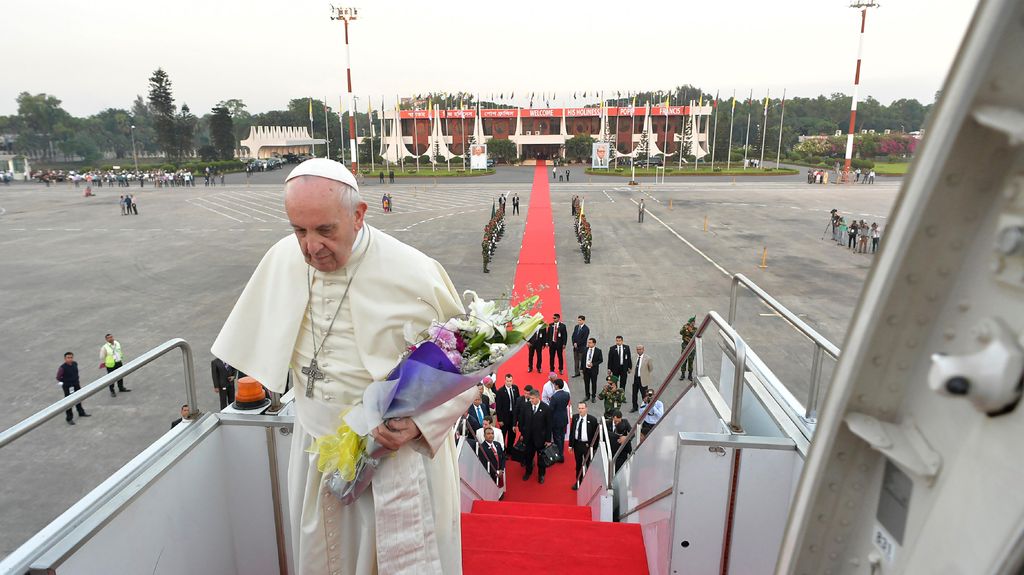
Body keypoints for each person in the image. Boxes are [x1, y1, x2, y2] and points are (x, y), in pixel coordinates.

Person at [211, 158, 474, 573]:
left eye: (325, 230)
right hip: (315, 455)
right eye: (299, 231)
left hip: (396, 460)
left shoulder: (414, 271)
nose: (311, 247)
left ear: (358, 215)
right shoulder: (282, 260)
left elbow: (467, 370)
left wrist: (419, 424)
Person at [514, 389, 552, 484]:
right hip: (528, 439)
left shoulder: (546, 408)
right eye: (530, 398)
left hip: (541, 439)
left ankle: (541, 475)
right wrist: (522, 433)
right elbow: (521, 420)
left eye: (532, 398)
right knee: (528, 457)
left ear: (538, 397)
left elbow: (549, 425)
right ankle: (528, 472)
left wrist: (548, 440)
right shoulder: (526, 406)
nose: (530, 400)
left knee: (541, 459)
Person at [570, 401, 599, 489]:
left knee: (589, 465)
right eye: (579, 408)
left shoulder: (592, 420)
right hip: (577, 445)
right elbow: (572, 432)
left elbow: (596, 435)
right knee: (578, 464)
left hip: (587, 446)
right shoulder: (575, 417)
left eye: (582, 408)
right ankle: (578, 481)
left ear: (586, 409)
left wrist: (593, 447)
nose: (580, 410)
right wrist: (570, 445)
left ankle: (590, 483)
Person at [56, 352, 90, 425]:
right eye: (68, 358)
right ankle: (69, 418)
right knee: (69, 402)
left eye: (71, 357)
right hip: (68, 387)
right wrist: (65, 381)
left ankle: (81, 412)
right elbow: (58, 377)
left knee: (78, 399)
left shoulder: (75, 364)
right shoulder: (62, 368)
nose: (70, 359)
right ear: (65, 359)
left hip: (76, 384)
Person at [607, 336, 633, 410]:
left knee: (623, 382)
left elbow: (629, 358)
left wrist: (629, 367)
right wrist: (609, 369)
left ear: (622, 341)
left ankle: (622, 397)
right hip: (615, 368)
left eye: (619, 340)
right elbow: (610, 359)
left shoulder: (626, 348)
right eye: (617, 340)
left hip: (624, 368)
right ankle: (615, 396)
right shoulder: (612, 348)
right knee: (614, 383)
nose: (618, 342)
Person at [494, 373, 520, 446]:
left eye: (510, 381)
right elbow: (498, 407)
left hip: (513, 417)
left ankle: (510, 449)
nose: (509, 382)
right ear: (505, 381)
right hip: (504, 417)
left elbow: (518, 401)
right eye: (507, 381)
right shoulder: (500, 391)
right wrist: (500, 419)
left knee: (512, 434)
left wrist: (517, 416)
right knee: (503, 434)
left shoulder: (515, 388)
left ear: (512, 380)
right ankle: (502, 448)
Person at [548, 379, 570, 462]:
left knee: (557, 438)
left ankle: (560, 455)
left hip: (556, 420)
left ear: (557, 386)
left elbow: (551, 409)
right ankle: (561, 452)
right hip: (564, 418)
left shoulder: (554, 397)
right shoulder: (567, 394)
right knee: (562, 436)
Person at [582, 337, 603, 404]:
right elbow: (583, 359)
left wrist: (593, 364)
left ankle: (593, 396)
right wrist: (581, 368)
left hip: (593, 370)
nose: (588, 344)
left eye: (590, 343)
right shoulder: (585, 349)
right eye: (588, 342)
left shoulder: (598, 351)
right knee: (586, 383)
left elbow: (601, 360)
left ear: (594, 343)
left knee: (594, 383)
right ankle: (587, 395)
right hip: (586, 370)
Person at [571, 315, 590, 380]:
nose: (579, 321)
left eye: (580, 320)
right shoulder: (576, 327)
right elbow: (573, 336)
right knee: (576, 361)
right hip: (575, 347)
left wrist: (577, 344)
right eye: (578, 320)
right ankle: (577, 372)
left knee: (582, 361)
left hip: (582, 348)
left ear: (583, 321)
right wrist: (574, 343)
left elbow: (584, 339)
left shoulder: (586, 329)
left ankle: (585, 374)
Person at [679, 317, 697, 381]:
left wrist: (690, 330)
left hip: (692, 347)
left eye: (694, 322)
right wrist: (685, 328)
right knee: (683, 360)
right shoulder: (685, 327)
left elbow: (695, 335)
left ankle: (690, 375)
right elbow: (680, 332)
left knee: (690, 361)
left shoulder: (695, 329)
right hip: (685, 345)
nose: (693, 324)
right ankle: (682, 374)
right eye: (692, 322)